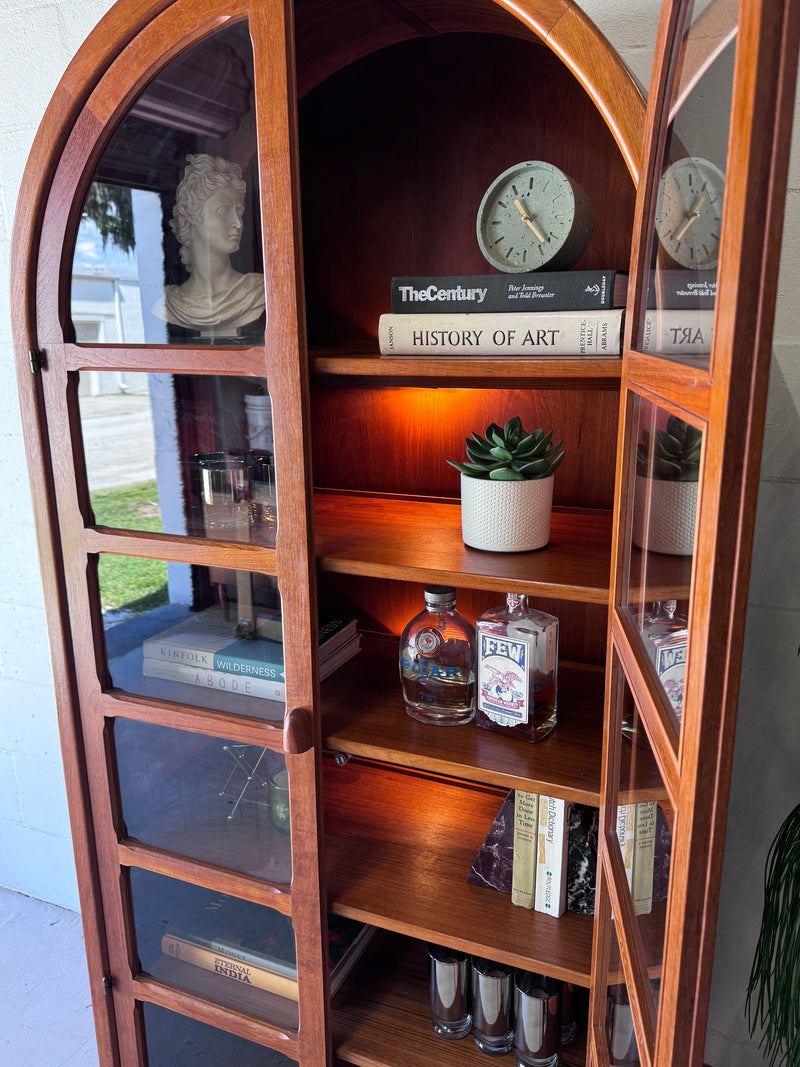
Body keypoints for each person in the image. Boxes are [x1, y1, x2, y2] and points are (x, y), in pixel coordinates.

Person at [154, 153, 265, 336]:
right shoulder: (171, 303)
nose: (238, 222)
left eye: (240, 211)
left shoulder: (257, 292)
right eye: (224, 210)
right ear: (192, 215)